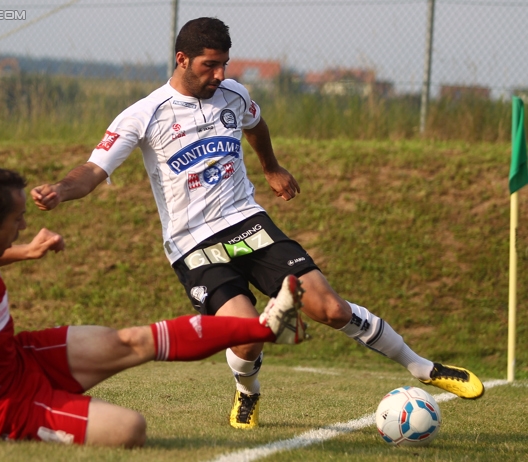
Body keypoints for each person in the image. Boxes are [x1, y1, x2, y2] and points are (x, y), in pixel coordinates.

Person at [31, 17, 485, 430]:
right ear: (182, 59)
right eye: (210, 65)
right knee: (246, 339)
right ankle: (248, 393)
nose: (220, 75)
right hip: (195, 245)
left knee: (332, 310)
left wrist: (271, 167)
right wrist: (59, 190)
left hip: (249, 222)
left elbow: (257, 125)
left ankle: (424, 367)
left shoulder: (234, 95)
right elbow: (93, 171)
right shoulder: (143, 114)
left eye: (224, 64)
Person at [0, 164, 308, 448]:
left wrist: (26, 252)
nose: (22, 224)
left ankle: (265, 328)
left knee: (128, 341)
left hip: (19, 360)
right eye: (17, 218)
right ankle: (265, 328)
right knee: (131, 429)